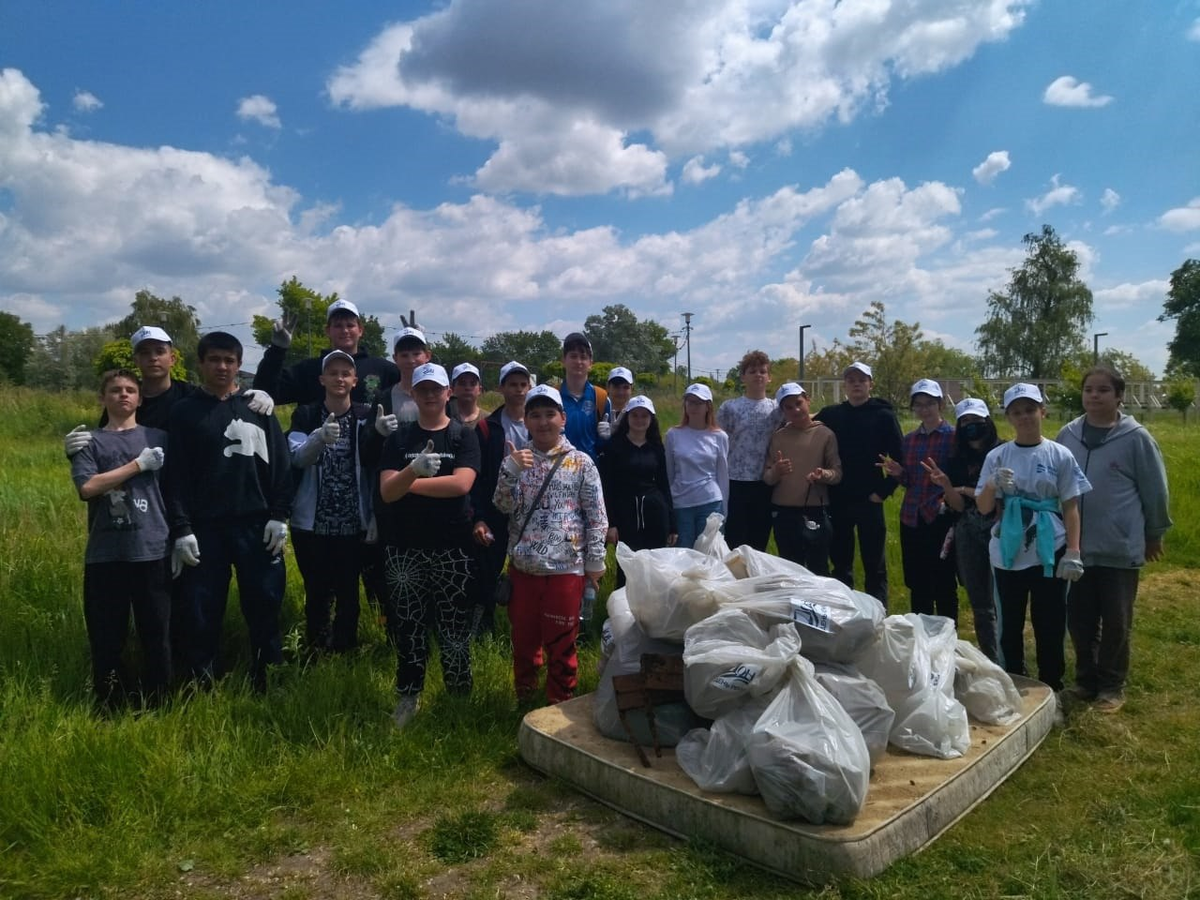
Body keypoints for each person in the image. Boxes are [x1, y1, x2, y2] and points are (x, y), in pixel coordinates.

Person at [165, 332, 294, 692]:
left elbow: (281, 466)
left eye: (229, 360)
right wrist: (181, 529)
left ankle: (269, 678)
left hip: (257, 524)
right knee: (202, 610)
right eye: (214, 360)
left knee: (265, 604)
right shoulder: (185, 412)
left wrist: (278, 515)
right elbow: (175, 475)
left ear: (239, 365)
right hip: (205, 528)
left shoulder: (258, 408)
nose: (222, 367)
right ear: (201, 363)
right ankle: (201, 682)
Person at [1056, 366, 1172, 712]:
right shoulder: (1067, 435)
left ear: (1119, 396)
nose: (1094, 396)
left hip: (1119, 547)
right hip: (1076, 549)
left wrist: (1153, 534)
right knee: (1079, 619)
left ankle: (1111, 686)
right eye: (1088, 389)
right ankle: (1085, 680)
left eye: (1103, 390)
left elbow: (1155, 491)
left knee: (1117, 620)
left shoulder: (1136, 438)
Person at [372, 362, 480, 728]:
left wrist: (409, 483)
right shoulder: (398, 439)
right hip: (404, 549)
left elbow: (461, 485)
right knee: (409, 627)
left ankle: (459, 697)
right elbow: (386, 493)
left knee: (454, 629)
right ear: (414, 394)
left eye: (438, 389)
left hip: (453, 549)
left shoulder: (464, 436)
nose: (431, 395)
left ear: (449, 393)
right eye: (424, 389)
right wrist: (412, 470)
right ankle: (408, 695)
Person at [493, 384, 607, 704]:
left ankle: (560, 702)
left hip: (565, 571)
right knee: (525, 641)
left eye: (550, 415)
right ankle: (525, 698)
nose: (543, 422)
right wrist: (510, 473)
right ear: (526, 421)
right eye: (535, 415)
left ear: (563, 419)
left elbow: (596, 516)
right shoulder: (516, 460)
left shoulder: (581, 462)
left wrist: (595, 563)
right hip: (523, 568)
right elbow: (501, 505)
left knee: (562, 644)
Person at [975, 383, 1091, 693]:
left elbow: (1070, 507)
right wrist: (991, 484)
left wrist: (1074, 551)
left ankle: (1051, 687)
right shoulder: (998, 456)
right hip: (1008, 551)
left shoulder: (1060, 455)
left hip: (1049, 549)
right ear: (1008, 417)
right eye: (1016, 412)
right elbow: (984, 507)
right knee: (1009, 623)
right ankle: (1014, 682)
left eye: (1030, 410)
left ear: (1042, 411)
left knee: (1050, 622)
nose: (1024, 417)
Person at [71, 369, 171, 709]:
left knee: (156, 634)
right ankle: (111, 703)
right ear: (103, 398)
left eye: (130, 390)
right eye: (115, 390)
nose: (123, 395)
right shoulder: (89, 442)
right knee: (106, 636)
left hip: (152, 549)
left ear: (140, 399)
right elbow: (87, 488)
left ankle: (159, 702)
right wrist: (137, 466)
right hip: (105, 553)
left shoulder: (159, 437)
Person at [64, 325, 276, 453]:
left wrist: (253, 397)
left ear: (172, 358)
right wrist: (80, 450)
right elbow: (108, 440)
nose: (153, 358)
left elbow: (221, 403)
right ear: (135, 359)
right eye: (145, 352)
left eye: (159, 351)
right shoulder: (125, 400)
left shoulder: (191, 396)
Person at [287, 350, 374, 654]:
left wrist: (381, 434)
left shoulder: (365, 414)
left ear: (354, 380)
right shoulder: (306, 414)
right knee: (316, 591)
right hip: (312, 522)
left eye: (345, 373)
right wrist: (318, 438)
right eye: (333, 373)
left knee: (350, 592)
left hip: (352, 521)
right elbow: (297, 458)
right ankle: (315, 648)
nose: (339, 378)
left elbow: (374, 462)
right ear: (322, 379)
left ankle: (345, 648)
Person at [921, 398, 1004, 662]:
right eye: (965, 421)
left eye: (976, 420)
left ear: (988, 421)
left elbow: (1001, 495)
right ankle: (991, 658)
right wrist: (946, 485)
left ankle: (1010, 657)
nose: (971, 426)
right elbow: (956, 506)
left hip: (1000, 529)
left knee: (1003, 598)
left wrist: (967, 490)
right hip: (967, 529)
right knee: (980, 600)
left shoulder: (1002, 451)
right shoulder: (956, 459)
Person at [815, 361, 903, 607]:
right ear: (845, 385)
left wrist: (883, 492)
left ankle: (878, 614)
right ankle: (844, 613)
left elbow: (899, 458)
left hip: (870, 499)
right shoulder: (832, 414)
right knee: (841, 562)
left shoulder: (884, 415)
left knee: (874, 563)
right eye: (851, 380)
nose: (856, 384)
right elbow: (806, 423)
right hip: (839, 499)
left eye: (861, 380)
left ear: (870, 384)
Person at [879, 379, 958, 621]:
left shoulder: (954, 437)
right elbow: (909, 480)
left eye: (930, 404)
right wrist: (898, 473)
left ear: (940, 404)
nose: (924, 409)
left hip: (940, 517)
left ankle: (947, 633)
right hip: (911, 518)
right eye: (919, 405)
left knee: (943, 580)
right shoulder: (910, 440)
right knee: (917, 580)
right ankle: (922, 631)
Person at [471, 361, 532, 636]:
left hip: (531, 511)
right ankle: (484, 628)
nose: (518, 390)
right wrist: (479, 517)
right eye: (512, 384)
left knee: (529, 570)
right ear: (501, 388)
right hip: (496, 511)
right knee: (488, 569)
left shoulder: (540, 423)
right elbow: (478, 478)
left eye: (523, 384)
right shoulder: (487, 428)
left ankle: (525, 625)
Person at [252, 298, 398, 406]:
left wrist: (414, 342)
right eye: (338, 326)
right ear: (328, 331)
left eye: (350, 325)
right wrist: (277, 349)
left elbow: (414, 389)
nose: (345, 330)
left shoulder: (382, 369)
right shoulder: (307, 370)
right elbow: (266, 393)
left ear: (360, 330)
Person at [762, 383, 841, 575]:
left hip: (815, 510)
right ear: (782, 411)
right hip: (784, 512)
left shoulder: (825, 434)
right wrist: (777, 471)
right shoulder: (778, 437)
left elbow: (837, 473)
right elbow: (767, 478)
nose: (795, 410)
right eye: (788, 407)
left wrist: (823, 475)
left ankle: (819, 604)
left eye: (798, 403)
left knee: (819, 570)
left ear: (808, 400)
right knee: (790, 570)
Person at [599, 395, 677, 578]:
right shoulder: (614, 447)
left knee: (655, 567)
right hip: (625, 514)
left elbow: (664, 485)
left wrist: (673, 524)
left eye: (644, 416)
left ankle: (653, 606)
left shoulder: (656, 448)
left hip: (654, 513)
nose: (639, 420)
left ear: (651, 419)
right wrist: (611, 523)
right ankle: (625, 605)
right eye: (635, 415)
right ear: (627, 418)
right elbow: (607, 487)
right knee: (627, 569)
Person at [717, 350, 778, 551]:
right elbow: (716, 440)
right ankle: (734, 579)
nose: (758, 375)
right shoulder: (730, 407)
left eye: (763, 371)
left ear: (769, 377)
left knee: (759, 540)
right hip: (735, 481)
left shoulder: (777, 409)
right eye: (752, 371)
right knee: (734, 539)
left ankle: (754, 580)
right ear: (743, 376)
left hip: (764, 482)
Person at [665, 383, 730, 550]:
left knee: (708, 552)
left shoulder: (719, 436)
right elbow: (669, 472)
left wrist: (725, 509)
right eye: (690, 402)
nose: (694, 407)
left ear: (708, 406)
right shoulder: (673, 434)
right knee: (683, 551)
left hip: (710, 501)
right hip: (681, 502)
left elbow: (722, 475)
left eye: (699, 403)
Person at [559, 332, 611, 462]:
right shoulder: (553, 396)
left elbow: (603, 447)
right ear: (563, 360)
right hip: (557, 470)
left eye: (583, 357)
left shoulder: (601, 397)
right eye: (573, 356)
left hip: (590, 471)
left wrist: (606, 438)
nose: (578, 361)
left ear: (590, 363)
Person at [450, 363, 483, 427]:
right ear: (452, 389)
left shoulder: (489, 421)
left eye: (472, 383)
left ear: (480, 389)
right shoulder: (442, 419)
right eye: (462, 383)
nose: (468, 388)